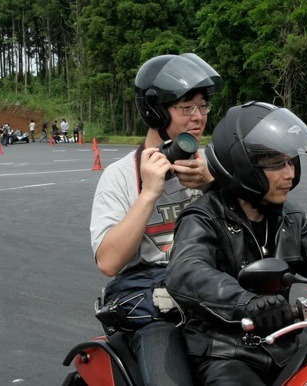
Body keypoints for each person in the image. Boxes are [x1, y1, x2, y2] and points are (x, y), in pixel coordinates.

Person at [165, 102, 307, 385]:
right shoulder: (203, 216)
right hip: (226, 352)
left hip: (283, 343)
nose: (289, 173)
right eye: (276, 164)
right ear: (241, 166)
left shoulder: (289, 217)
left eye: (290, 161)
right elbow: (186, 271)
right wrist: (246, 301)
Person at [89, 53, 223, 386]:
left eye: (203, 106)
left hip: (216, 294)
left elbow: (254, 228)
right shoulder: (120, 176)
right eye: (186, 107)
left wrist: (215, 185)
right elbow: (108, 261)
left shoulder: (214, 166)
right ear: (155, 111)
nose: (198, 117)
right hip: (155, 310)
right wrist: (148, 193)